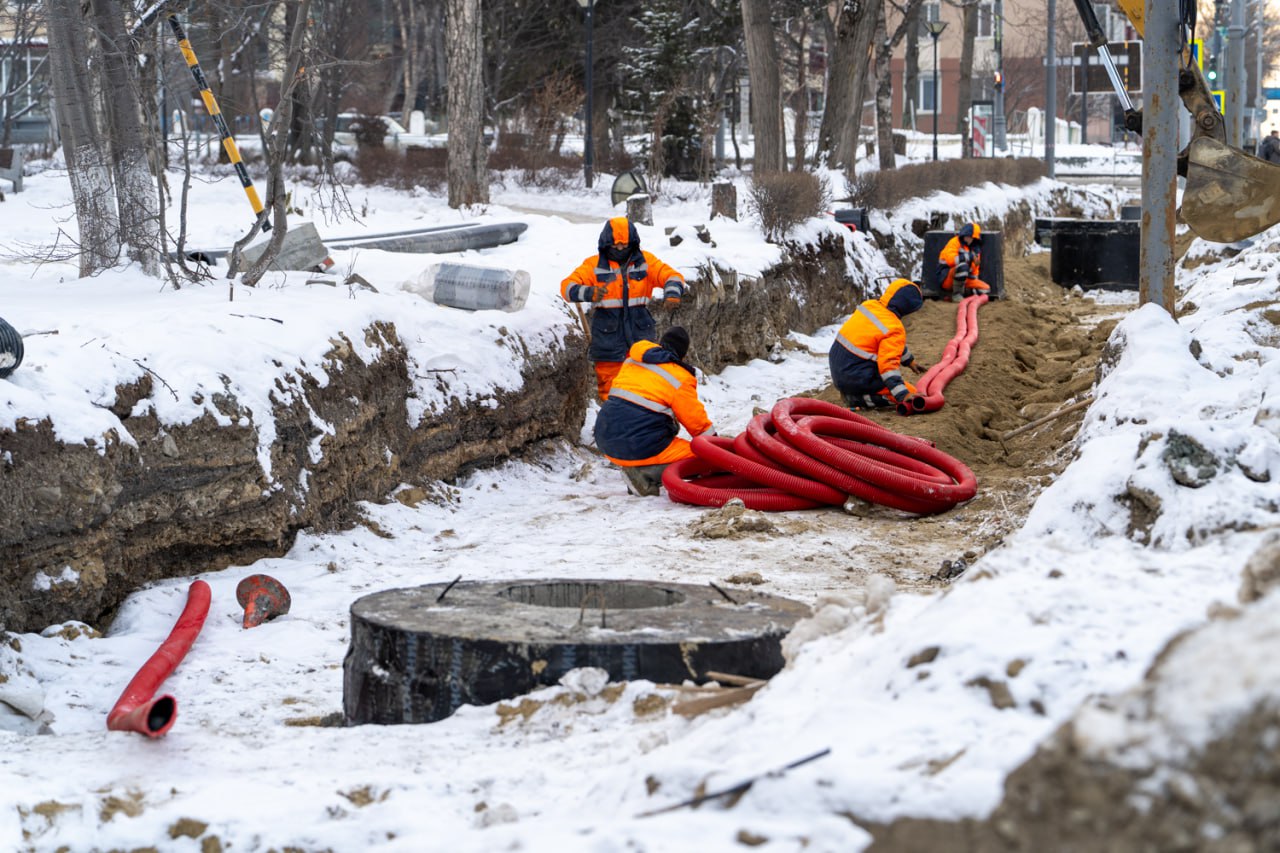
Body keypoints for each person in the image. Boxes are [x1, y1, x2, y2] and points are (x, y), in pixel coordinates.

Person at [561, 216, 687, 401]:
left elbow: (672, 276)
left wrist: (672, 293)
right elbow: (567, 287)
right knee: (611, 389)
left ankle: (642, 424)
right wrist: (589, 293)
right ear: (606, 244)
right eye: (615, 246)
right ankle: (614, 425)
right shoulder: (594, 265)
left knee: (644, 385)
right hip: (608, 338)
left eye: (624, 245)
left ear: (633, 243)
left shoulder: (645, 262)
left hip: (640, 336)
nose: (620, 249)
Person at [593, 326, 716, 496]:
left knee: (664, 422)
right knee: (703, 459)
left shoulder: (633, 361)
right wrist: (717, 448)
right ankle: (644, 475)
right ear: (683, 354)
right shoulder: (679, 377)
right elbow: (697, 423)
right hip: (636, 445)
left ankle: (638, 466)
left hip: (605, 440)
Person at [829, 278, 927, 410]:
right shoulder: (894, 327)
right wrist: (903, 395)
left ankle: (853, 392)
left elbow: (888, 343)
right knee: (912, 392)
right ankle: (858, 399)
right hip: (856, 377)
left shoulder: (869, 305)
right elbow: (888, 367)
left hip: (838, 371)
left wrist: (909, 361)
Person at [936, 222, 990, 301]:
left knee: (985, 289)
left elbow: (975, 270)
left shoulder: (975, 249)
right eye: (967, 236)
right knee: (963, 267)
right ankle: (956, 295)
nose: (968, 238)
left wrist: (974, 281)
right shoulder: (954, 242)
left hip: (964, 279)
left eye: (970, 237)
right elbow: (951, 260)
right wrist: (968, 256)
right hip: (947, 277)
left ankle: (964, 292)